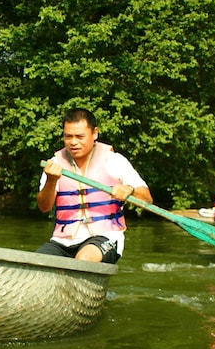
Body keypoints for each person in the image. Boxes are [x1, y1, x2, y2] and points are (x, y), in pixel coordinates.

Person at [36, 108, 152, 263]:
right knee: (37, 262)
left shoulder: (114, 161)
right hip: (63, 240)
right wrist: (51, 181)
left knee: (83, 260)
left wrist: (129, 190)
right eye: (68, 136)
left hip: (105, 237)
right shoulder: (55, 163)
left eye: (80, 136)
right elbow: (44, 207)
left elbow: (147, 199)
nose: (73, 142)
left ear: (94, 133)